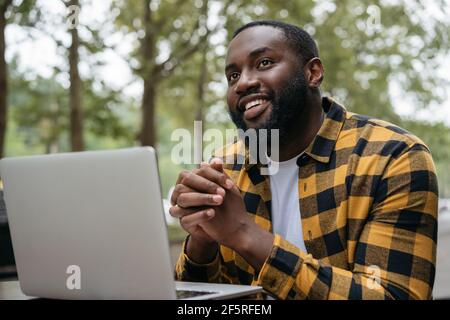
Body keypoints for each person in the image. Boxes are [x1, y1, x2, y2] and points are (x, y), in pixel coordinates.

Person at [169, 20, 438, 299]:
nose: (243, 83)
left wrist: (244, 234)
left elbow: (392, 295)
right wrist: (202, 242)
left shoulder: (392, 158)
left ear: (313, 72)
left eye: (263, 63)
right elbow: (195, 305)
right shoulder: (224, 167)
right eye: (233, 76)